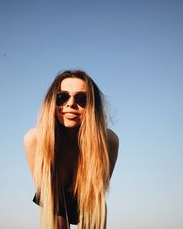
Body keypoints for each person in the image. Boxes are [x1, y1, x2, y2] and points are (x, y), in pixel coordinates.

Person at [24, 70, 119, 229]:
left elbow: (96, 197)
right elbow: (48, 199)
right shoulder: (35, 140)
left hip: (89, 202)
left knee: (93, 209)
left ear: (92, 107)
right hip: (54, 200)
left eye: (82, 99)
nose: (70, 104)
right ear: (52, 102)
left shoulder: (108, 141)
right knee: (52, 209)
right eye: (62, 97)